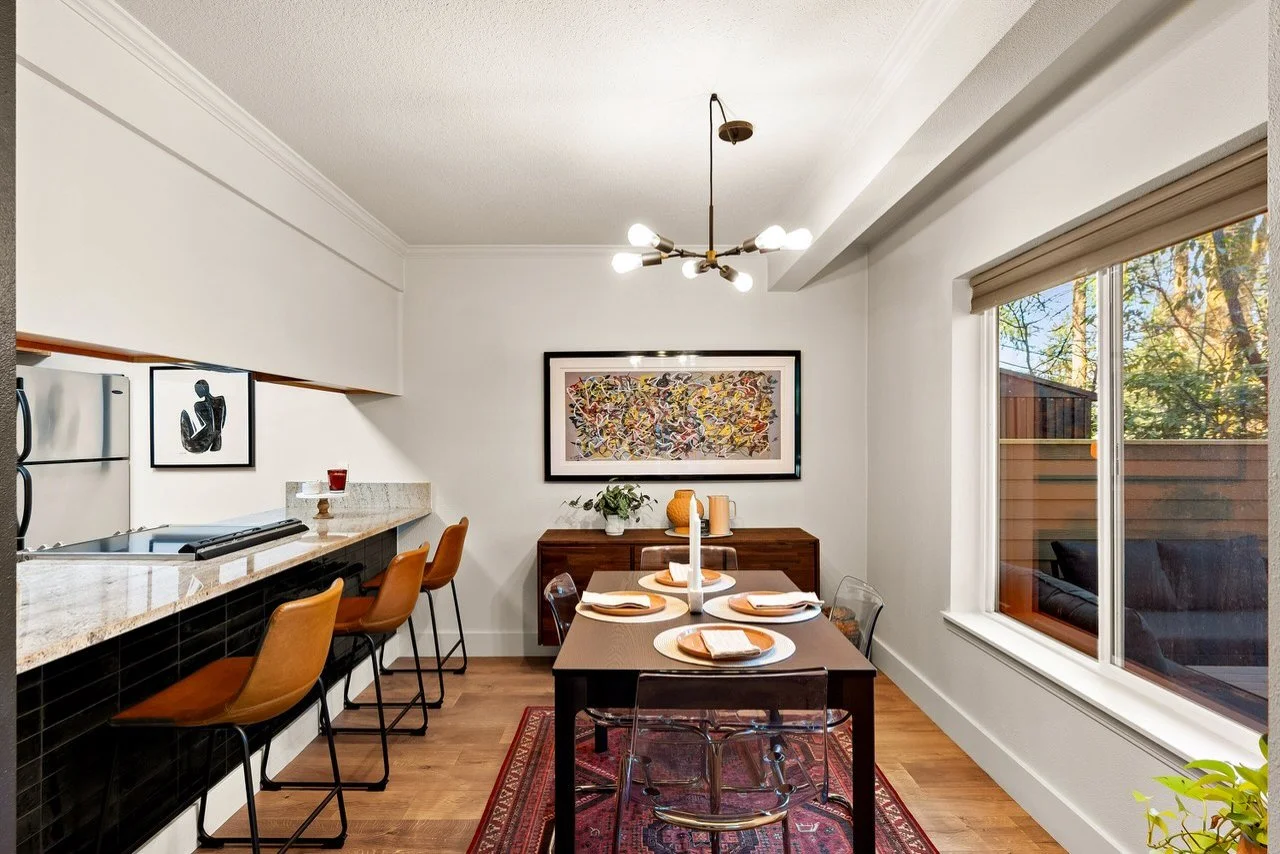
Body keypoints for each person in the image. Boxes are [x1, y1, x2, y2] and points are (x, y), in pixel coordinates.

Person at [179, 379, 227, 454]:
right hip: (217, 437)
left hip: (204, 441)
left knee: (183, 415)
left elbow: (204, 425)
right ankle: (216, 443)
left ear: (202, 389)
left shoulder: (198, 405)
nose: (196, 392)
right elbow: (222, 421)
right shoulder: (220, 400)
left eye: (197, 389)